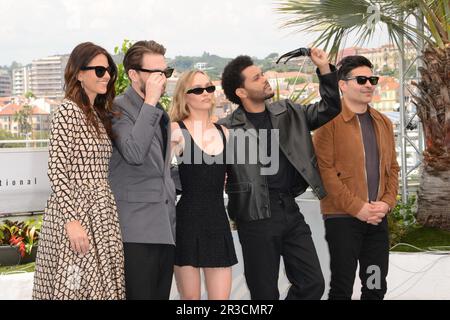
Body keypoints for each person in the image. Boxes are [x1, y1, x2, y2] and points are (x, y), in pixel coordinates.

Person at [218, 48, 341, 300]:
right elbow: (208, 170)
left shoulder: (289, 112)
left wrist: (325, 69)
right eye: (256, 77)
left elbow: (330, 108)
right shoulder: (227, 129)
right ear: (241, 92)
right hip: (254, 217)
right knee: (264, 293)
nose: (264, 79)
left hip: (289, 209)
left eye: (261, 73)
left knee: (313, 284)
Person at [33, 42, 125, 300]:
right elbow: (57, 169)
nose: (106, 75)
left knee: (99, 286)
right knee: (74, 285)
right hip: (74, 213)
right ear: (79, 73)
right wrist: (72, 221)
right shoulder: (67, 111)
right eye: (98, 70)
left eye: (109, 70)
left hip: (101, 213)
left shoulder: (96, 115)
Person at [312, 55, 399, 300]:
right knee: (342, 287)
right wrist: (357, 208)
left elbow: (392, 168)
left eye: (372, 79)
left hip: (376, 220)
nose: (369, 84)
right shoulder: (327, 123)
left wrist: (386, 203)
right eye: (361, 79)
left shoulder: (383, 122)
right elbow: (325, 172)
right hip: (342, 220)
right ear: (342, 84)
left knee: (374, 285)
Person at [108, 40, 176, 300]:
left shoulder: (159, 111)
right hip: (135, 230)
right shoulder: (117, 108)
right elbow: (134, 153)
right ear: (133, 74)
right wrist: (150, 102)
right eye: (155, 73)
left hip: (164, 227)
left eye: (165, 73)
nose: (162, 79)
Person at [169, 70, 238, 300]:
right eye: (198, 89)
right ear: (184, 96)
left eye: (209, 87)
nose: (206, 93)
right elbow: (157, 174)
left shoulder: (225, 133)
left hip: (218, 222)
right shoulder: (176, 131)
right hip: (187, 223)